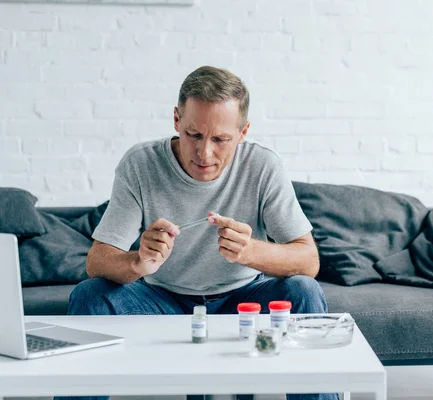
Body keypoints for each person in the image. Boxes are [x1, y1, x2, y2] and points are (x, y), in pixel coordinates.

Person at [59, 66, 337, 400]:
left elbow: (309, 261)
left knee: (303, 291)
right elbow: (96, 262)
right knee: (90, 295)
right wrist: (138, 262)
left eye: (221, 139)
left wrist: (251, 253)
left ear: (243, 131)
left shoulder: (263, 167)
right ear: (176, 119)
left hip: (242, 300)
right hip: (163, 302)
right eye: (194, 135)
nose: (204, 153)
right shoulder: (140, 164)